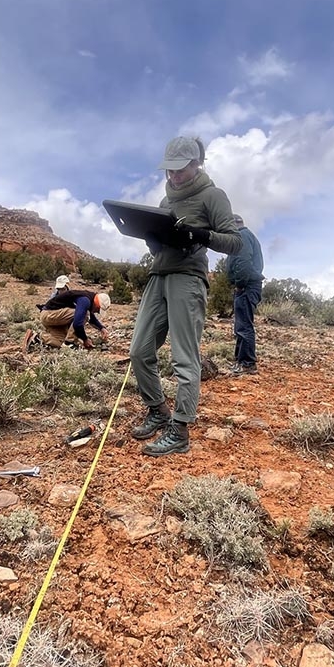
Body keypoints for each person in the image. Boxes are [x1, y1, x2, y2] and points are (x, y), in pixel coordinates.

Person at [128, 136, 242, 457]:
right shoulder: (165, 202)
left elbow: (235, 242)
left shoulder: (212, 196)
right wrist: (153, 240)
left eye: (180, 170)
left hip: (188, 279)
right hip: (158, 276)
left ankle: (179, 429)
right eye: (170, 171)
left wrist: (200, 235)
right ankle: (158, 411)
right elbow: (162, 241)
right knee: (138, 351)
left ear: (196, 165)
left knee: (184, 357)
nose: (174, 176)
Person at [225, 214, 264, 375]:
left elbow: (244, 263)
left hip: (247, 287)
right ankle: (241, 361)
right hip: (248, 286)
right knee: (241, 325)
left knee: (244, 326)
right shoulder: (247, 236)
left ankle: (247, 363)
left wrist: (240, 284)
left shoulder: (242, 236)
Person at [39, 289, 111, 349]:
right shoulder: (85, 300)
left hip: (51, 317)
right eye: (98, 310)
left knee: (61, 343)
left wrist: (101, 328)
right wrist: (85, 339)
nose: (97, 312)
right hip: (49, 314)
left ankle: (38, 337)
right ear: (96, 304)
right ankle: (70, 342)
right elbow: (77, 324)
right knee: (85, 314)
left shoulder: (88, 299)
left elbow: (91, 317)